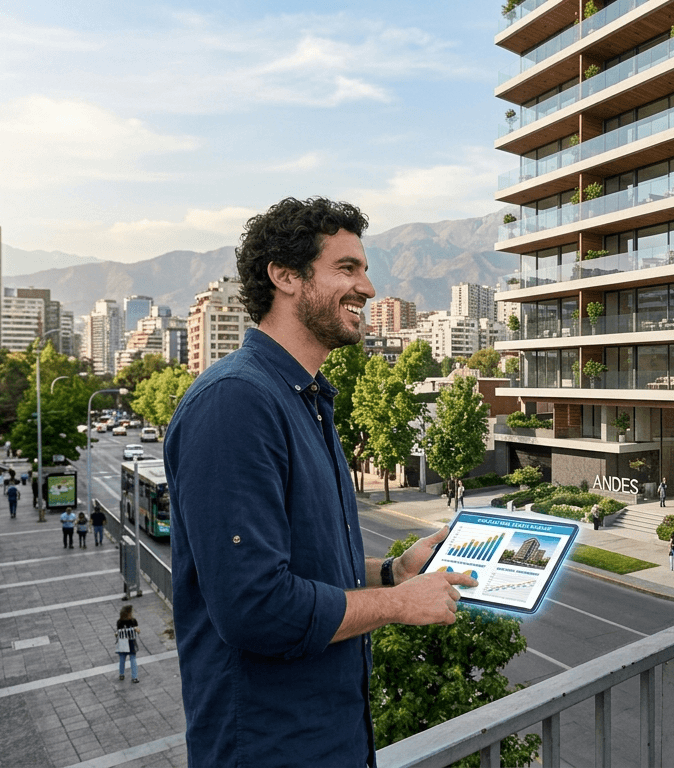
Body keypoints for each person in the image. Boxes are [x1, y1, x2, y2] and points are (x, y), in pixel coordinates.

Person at [164, 196, 476, 767]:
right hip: (268, 750)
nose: (369, 287)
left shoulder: (306, 400)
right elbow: (255, 606)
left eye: (364, 268)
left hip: (332, 743)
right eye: (347, 268)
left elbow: (298, 564)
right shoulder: (236, 403)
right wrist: (397, 604)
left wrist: (390, 572)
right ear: (284, 276)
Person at [115, 605, 140, 683]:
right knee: (133, 659)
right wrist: (136, 630)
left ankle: (121, 674)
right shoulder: (133, 621)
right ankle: (134, 677)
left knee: (122, 659)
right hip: (131, 642)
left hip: (122, 643)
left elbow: (118, 632)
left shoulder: (119, 622)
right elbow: (138, 630)